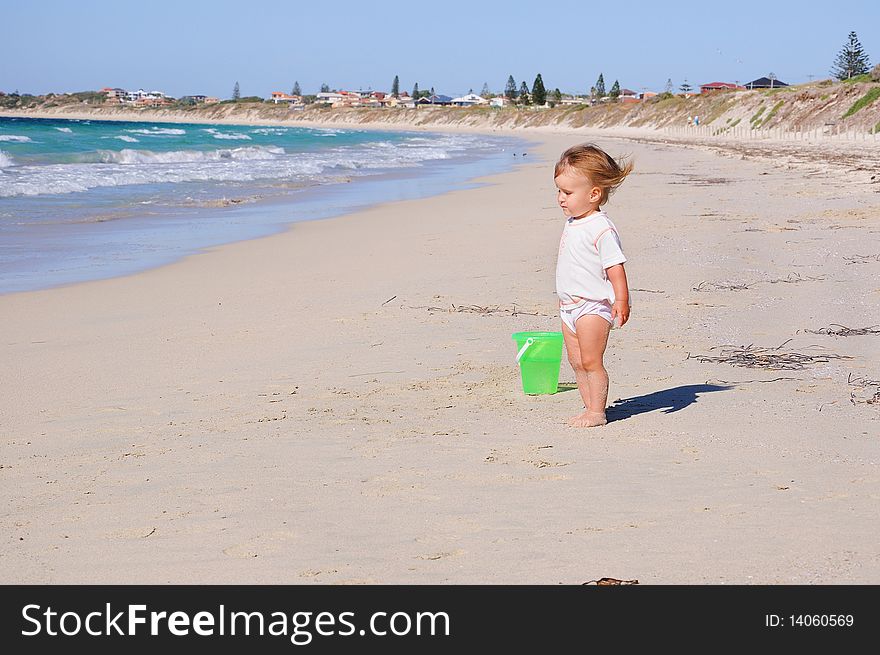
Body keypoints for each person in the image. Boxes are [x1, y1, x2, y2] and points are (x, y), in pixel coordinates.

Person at [554, 144, 633, 427]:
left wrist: (621, 300)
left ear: (594, 194)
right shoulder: (575, 221)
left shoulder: (601, 227)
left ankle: (597, 412)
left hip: (593, 306)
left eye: (567, 193)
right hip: (569, 306)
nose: (561, 199)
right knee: (576, 362)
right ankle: (588, 407)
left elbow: (615, 267)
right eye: (559, 191)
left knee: (591, 361)